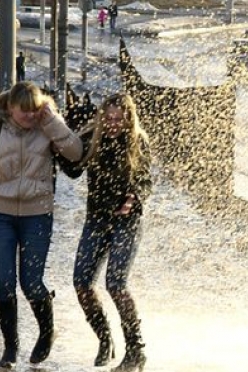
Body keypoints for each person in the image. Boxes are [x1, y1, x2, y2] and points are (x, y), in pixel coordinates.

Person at [0, 82, 83, 368]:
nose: (30, 117)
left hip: (37, 214)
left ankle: (46, 332)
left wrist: (51, 121)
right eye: (24, 112)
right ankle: (10, 347)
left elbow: (76, 153)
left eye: (34, 111)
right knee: (4, 284)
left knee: (31, 283)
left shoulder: (47, 124)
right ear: (10, 108)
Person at [64, 93, 152, 371]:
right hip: (97, 220)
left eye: (119, 119)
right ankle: (104, 339)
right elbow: (74, 170)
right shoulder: (93, 138)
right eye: (109, 118)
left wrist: (133, 197)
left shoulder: (137, 141)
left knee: (116, 284)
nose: (113, 124)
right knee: (81, 283)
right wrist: (59, 146)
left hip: (127, 221)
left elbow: (146, 181)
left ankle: (136, 350)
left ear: (128, 119)